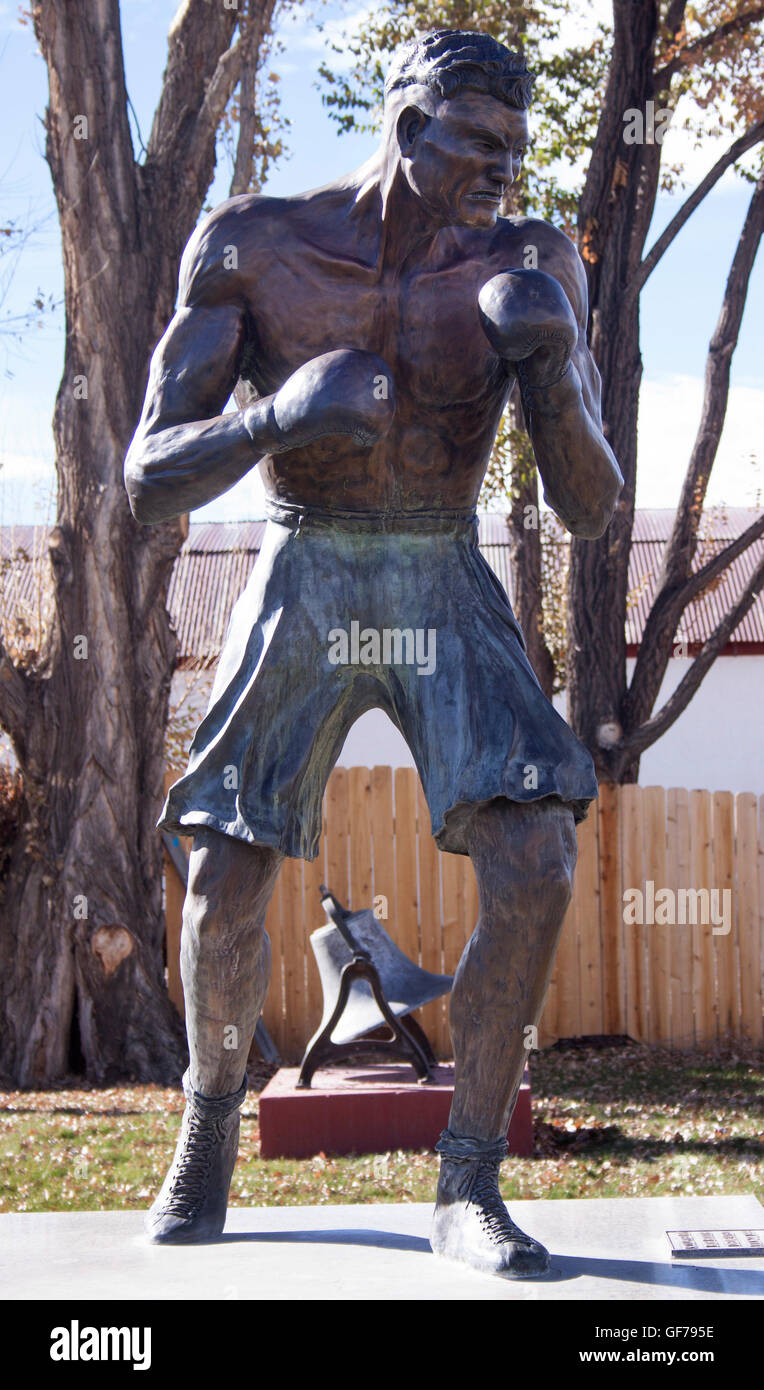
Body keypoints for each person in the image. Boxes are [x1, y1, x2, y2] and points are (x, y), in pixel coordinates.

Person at [124, 28, 622, 1279]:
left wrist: (552, 367)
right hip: (306, 554)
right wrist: (278, 414)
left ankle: (466, 1183)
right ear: (406, 130)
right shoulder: (258, 245)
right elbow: (143, 477)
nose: (502, 170)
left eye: (516, 147)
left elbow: (589, 506)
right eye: (476, 142)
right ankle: (207, 1125)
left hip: (441, 561)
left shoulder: (532, 260)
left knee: (537, 856)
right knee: (225, 877)